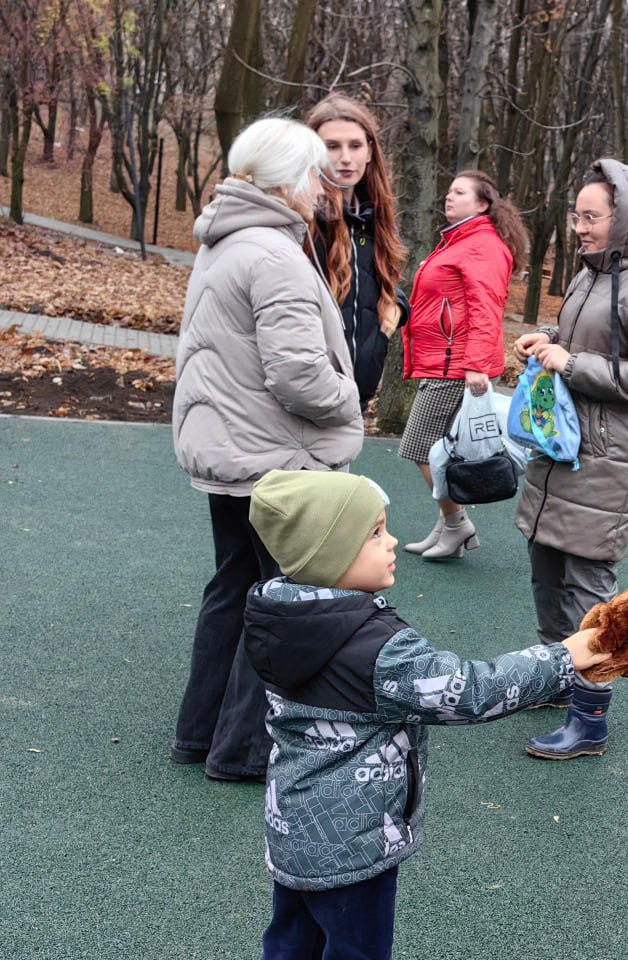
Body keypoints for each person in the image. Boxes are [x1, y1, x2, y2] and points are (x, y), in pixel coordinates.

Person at [243, 469, 608, 960]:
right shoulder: (373, 648)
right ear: (329, 556)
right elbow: (470, 691)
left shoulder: (278, 617)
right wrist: (564, 657)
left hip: (292, 824)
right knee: (358, 948)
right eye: (373, 534)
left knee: (292, 938)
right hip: (353, 839)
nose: (391, 541)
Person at [170, 117, 363, 783]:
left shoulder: (223, 242)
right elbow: (297, 374)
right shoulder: (275, 254)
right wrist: (349, 397)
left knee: (232, 588)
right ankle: (242, 750)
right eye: (312, 172)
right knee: (278, 601)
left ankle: (199, 735)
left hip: (229, 450)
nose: (320, 186)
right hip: (272, 458)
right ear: (286, 180)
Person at [514, 159, 628, 759]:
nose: (579, 228)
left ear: (626, 218)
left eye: (591, 217)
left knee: (587, 587)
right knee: (546, 572)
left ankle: (589, 719)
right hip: (563, 449)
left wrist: (571, 363)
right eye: (576, 215)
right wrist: (547, 345)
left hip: (607, 462)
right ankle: (560, 676)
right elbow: (582, 349)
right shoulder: (591, 276)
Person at [398, 171, 530, 560]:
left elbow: (485, 309)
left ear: (482, 203)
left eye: (459, 192)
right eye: (449, 191)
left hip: (458, 365)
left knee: (420, 446)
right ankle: (447, 526)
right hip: (445, 360)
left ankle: (456, 525)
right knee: (440, 447)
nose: (449, 197)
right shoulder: (460, 241)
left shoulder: (481, 246)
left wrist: (474, 364)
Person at [305, 94, 409, 411]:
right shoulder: (300, 222)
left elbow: (376, 284)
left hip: (353, 401)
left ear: (370, 152)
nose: (345, 158)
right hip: (304, 400)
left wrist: (392, 318)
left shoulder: (372, 219)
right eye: (332, 146)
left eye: (355, 145)